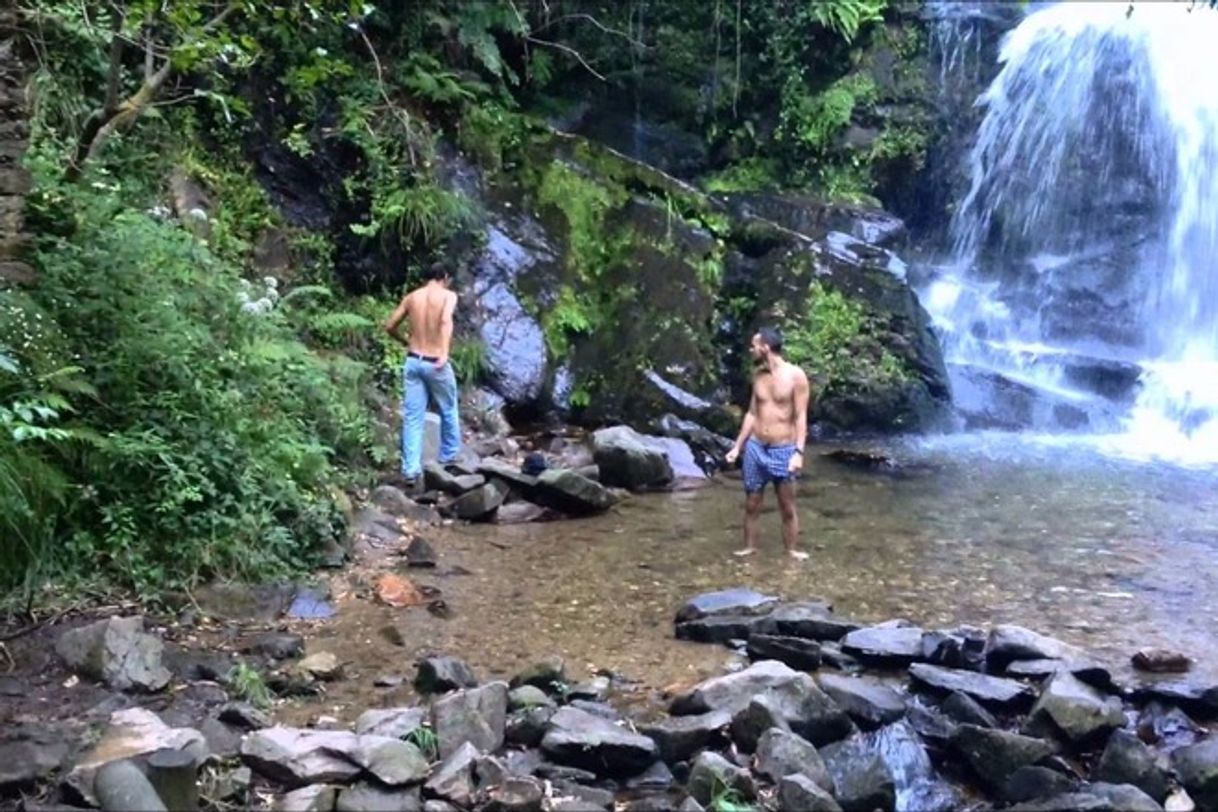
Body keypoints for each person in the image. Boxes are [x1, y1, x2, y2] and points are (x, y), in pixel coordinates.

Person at [724, 326, 811, 559]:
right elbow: (752, 413)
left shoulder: (796, 376)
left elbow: (801, 417)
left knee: (787, 506)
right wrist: (737, 446)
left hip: (783, 448)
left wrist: (798, 452)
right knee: (752, 503)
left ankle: (791, 551)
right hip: (755, 447)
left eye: (754, 345)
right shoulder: (758, 376)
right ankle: (750, 547)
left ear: (765, 347)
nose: (751, 349)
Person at [384, 262, 461, 486]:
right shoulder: (448, 296)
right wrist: (444, 353)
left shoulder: (412, 297)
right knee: (448, 408)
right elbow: (446, 320)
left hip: (413, 361)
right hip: (435, 361)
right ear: (444, 277)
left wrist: (406, 342)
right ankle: (448, 458)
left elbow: (390, 325)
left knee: (413, 417)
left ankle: (410, 470)